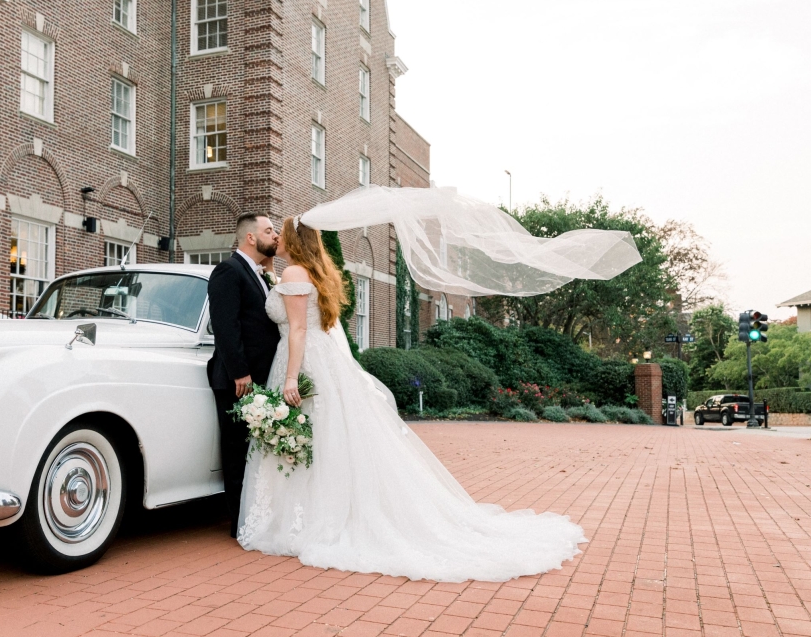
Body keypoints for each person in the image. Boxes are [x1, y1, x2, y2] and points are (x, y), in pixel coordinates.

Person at [235, 218, 588, 583]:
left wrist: (292, 377)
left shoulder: (294, 271)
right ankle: (316, 512)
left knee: (313, 437)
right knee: (325, 440)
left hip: (303, 361)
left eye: (281, 232)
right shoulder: (315, 271)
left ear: (293, 240)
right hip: (322, 360)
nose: (275, 236)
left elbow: (297, 328)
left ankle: (302, 518)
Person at [207, 212, 282, 538]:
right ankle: (240, 525)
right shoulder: (228, 270)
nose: (275, 236)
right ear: (251, 237)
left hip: (261, 380)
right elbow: (226, 326)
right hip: (238, 381)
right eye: (269, 231)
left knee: (256, 451)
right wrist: (240, 373)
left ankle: (257, 516)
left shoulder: (258, 273)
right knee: (237, 452)